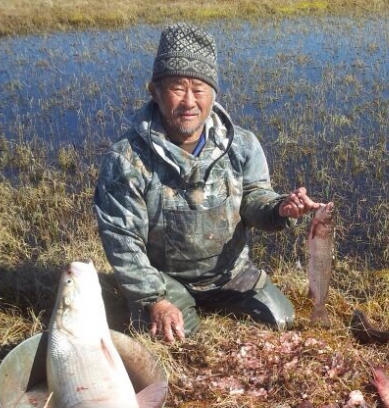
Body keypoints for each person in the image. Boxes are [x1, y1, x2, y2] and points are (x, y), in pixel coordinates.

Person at [93, 22, 320, 343]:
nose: (189, 101)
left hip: (231, 275)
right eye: (176, 88)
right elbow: (121, 239)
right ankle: (157, 304)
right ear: (154, 92)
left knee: (282, 321)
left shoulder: (241, 144)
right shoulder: (125, 160)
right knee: (176, 343)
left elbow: (255, 198)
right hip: (165, 280)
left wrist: (281, 208)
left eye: (198, 89)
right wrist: (154, 299)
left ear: (213, 94)